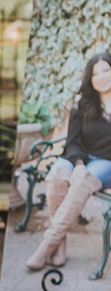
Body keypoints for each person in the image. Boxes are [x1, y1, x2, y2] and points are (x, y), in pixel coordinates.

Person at [27, 51, 111, 270]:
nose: (101, 77)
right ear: (90, 79)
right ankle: (60, 246)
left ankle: (46, 246)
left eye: (106, 70)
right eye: (95, 74)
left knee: (82, 182)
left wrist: (85, 171)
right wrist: (80, 164)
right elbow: (72, 141)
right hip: (79, 156)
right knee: (56, 175)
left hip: (106, 163)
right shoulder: (82, 103)